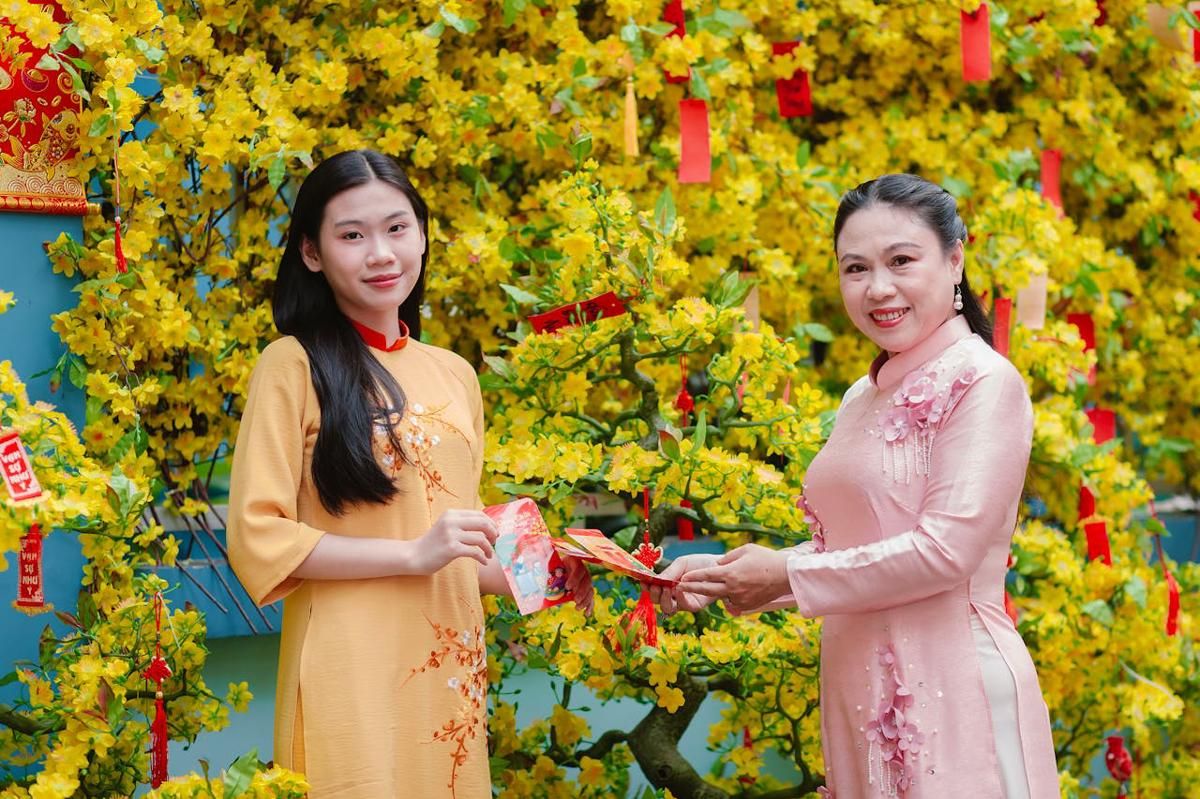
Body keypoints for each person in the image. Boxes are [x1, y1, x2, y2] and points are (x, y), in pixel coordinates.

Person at [655, 174, 1058, 798]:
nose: (878, 288)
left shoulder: (983, 381)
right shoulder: (860, 396)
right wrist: (728, 576)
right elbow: (849, 552)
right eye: (856, 268)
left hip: (952, 687)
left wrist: (784, 575)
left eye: (902, 261)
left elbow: (944, 552)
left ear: (955, 260)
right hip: (860, 684)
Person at [226, 150, 591, 799]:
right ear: (312, 252)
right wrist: (412, 554)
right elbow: (260, 536)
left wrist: (551, 571)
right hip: (348, 663)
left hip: (446, 667)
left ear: (422, 235)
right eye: (352, 235)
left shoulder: (454, 373)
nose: (381, 254)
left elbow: (459, 548)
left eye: (397, 228)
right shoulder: (291, 365)